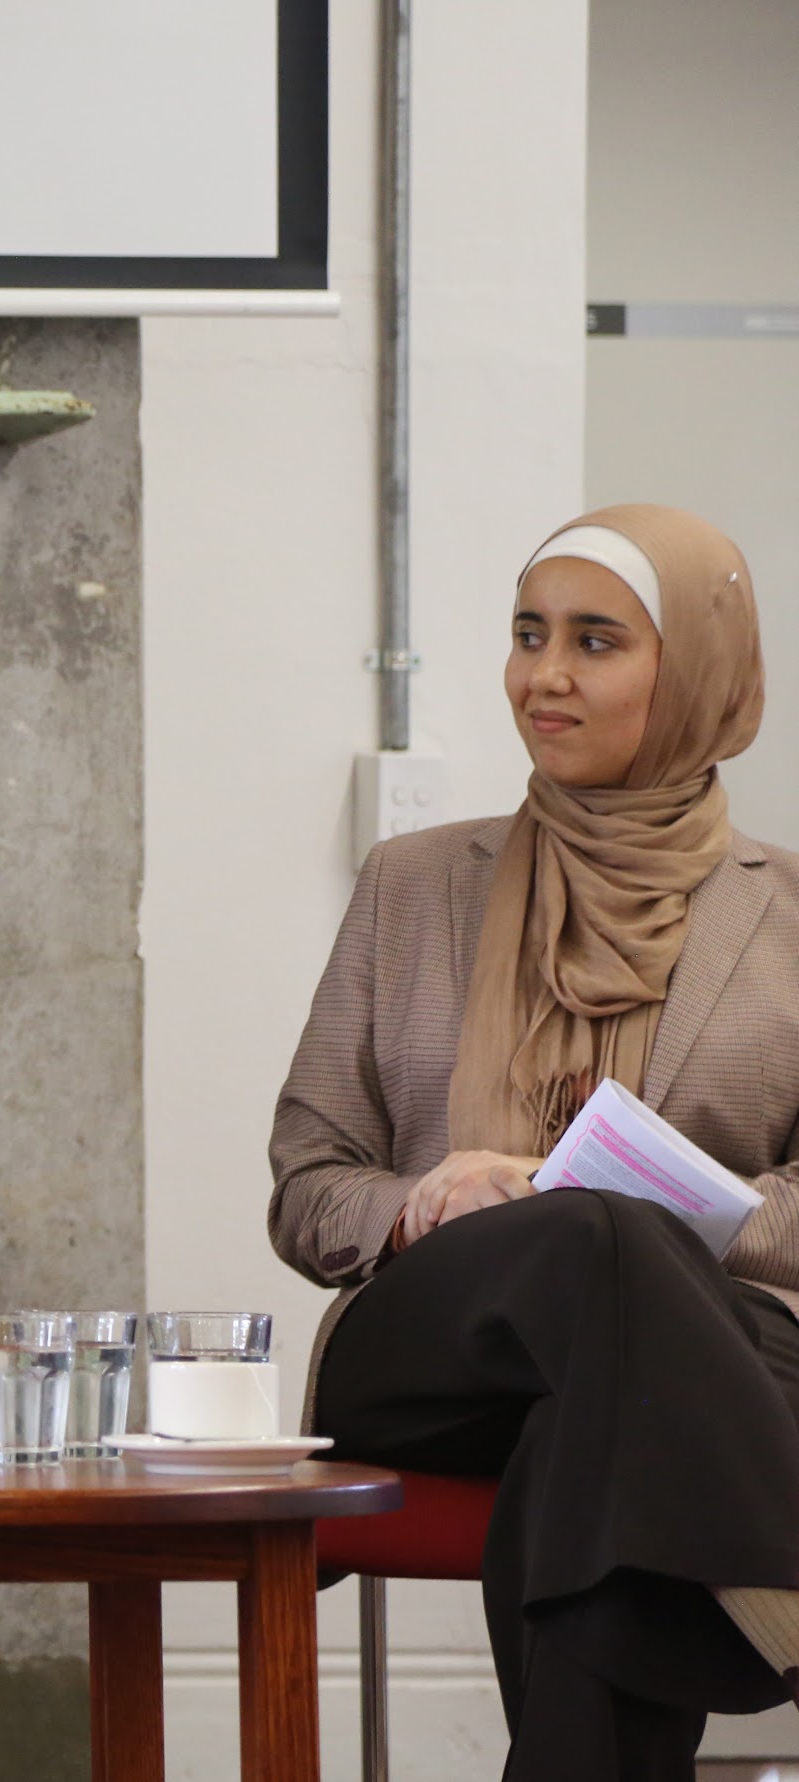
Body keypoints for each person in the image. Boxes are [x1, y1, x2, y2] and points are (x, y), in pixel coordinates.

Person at [270, 505, 799, 1781]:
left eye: (597, 640)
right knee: (582, 1235)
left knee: (599, 1408)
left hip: (695, 1367)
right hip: (435, 1356)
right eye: (528, 634)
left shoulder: (790, 916)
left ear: (700, 675)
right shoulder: (414, 885)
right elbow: (308, 1183)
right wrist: (423, 1203)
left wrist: (701, 1210)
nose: (543, 675)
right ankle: (775, 1584)